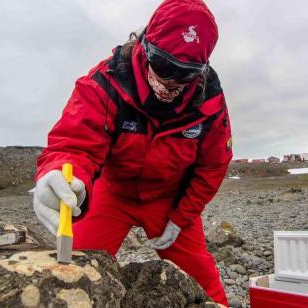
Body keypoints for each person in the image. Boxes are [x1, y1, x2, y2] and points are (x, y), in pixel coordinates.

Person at [33, 0, 232, 305]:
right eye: (165, 66)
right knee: (72, 269)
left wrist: (182, 218)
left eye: (186, 74)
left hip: (170, 202)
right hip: (112, 195)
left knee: (205, 287)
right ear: (145, 44)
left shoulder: (209, 104)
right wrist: (60, 172)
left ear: (202, 69)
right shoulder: (108, 80)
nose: (171, 82)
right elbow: (75, 142)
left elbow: (213, 166)